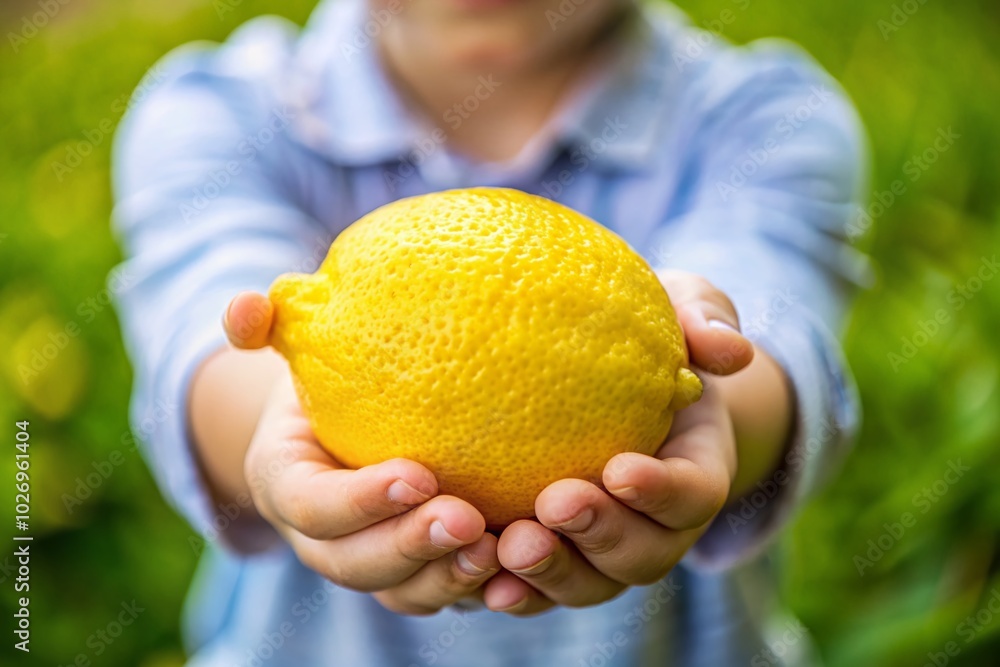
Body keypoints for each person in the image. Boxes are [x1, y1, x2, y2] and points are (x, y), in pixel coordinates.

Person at [111, 0, 869, 664]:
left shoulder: (766, 120)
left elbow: (774, 342)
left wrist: (711, 417)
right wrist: (287, 430)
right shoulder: (221, 113)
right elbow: (204, 347)